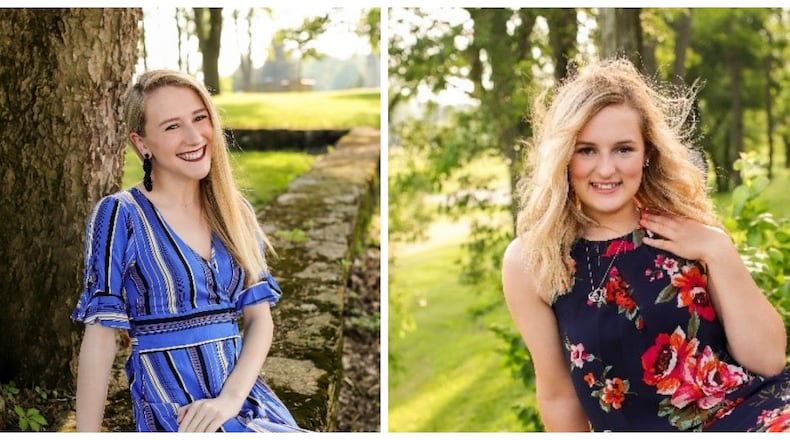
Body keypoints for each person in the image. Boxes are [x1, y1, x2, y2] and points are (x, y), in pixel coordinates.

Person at [502, 58, 790, 432]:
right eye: (587, 150)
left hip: (757, 417)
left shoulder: (686, 230)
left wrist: (717, 248)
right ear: (563, 156)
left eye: (623, 149)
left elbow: (768, 361)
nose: (606, 169)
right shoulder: (533, 259)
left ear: (647, 153)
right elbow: (558, 395)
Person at [71, 70, 305, 432]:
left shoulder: (233, 210)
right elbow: (101, 340)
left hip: (243, 402)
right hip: (176, 412)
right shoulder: (120, 215)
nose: (195, 137)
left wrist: (229, 400)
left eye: (200, 117)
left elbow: (260, 319)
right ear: (142, 143)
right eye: (172, 126)